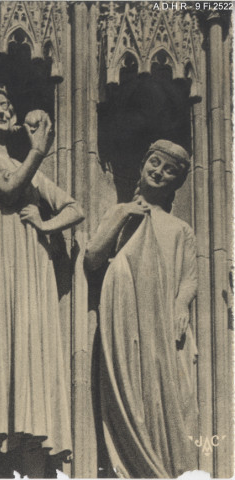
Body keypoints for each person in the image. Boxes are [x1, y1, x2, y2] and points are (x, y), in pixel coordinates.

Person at [0, 81, 84, 478]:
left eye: (7, 104)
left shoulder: (32, 173)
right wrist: (38, 149)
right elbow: (8, 189)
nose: (4, 110)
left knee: (28, 359)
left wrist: (44, 223)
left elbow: (75, 208)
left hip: (27, 270)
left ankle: (32, 458)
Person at [85, 140, 198, 478]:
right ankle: (133, 463)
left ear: (177, 183)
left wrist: (180, 306)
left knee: (173, 395)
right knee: (129, 386)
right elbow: (92, 259)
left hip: (163, 321)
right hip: (125, 316)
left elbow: (189, 279)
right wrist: (121, 214)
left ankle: (166, 466)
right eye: (155, 162)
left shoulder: (181, 229)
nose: (159, 172)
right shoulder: (120, 211)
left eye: (170, 171)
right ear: (143, 163)